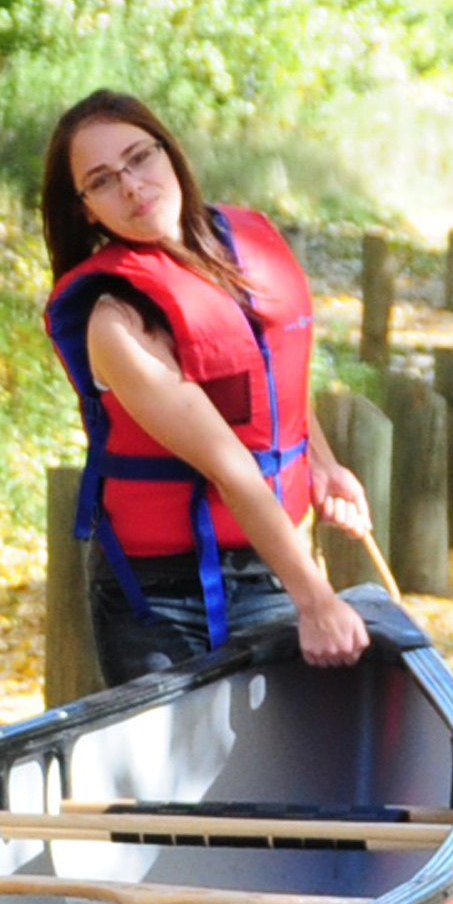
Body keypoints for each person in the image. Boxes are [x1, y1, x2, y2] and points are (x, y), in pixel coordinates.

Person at [39, 90, 380, 682]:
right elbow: (231, 464)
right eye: (101, 179)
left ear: (169, 153)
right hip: (158, 599)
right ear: (86, 209)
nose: (131, 185)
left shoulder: (242, 246)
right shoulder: (115, 322)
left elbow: (267, 383)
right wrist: (317, 599)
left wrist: (320, 465)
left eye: (139, 158)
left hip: (265, 565)